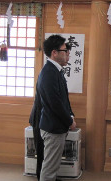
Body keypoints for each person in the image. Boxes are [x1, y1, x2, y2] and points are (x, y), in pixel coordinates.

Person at [38, 34, 76, 181]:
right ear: (54, 53)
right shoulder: (49, 72)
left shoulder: (56, 71)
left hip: (56, 125)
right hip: (52, 127)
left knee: (52, 165)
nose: (67, 54)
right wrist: (69, 121)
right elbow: (55, 104)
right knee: (49, 168)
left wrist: (70, 115)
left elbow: (63, 99)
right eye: (65, 51)